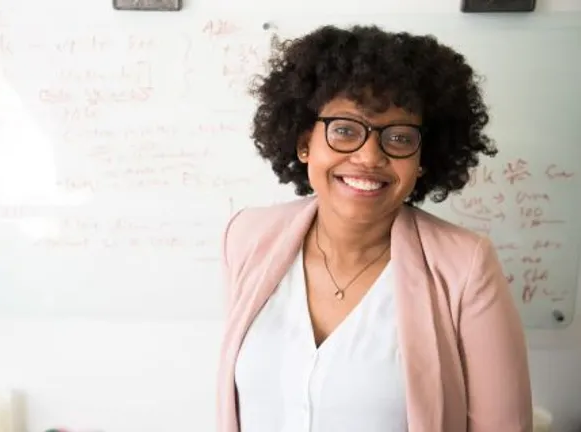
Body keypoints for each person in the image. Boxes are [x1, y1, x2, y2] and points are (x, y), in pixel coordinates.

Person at [216, 25, 532, 432]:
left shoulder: (466, 266)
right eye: (345, 130)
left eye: (399, 137)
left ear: (422, 159)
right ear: (303, 141)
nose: (368, 156)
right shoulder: (246, 238)